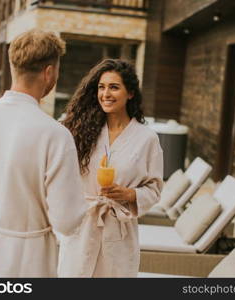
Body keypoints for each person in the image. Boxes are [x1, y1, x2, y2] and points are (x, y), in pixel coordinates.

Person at [0, 29, 87, 277]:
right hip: (27, 261)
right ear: (49, 73)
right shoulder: (55, 135)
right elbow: (67, 221)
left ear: (14, 67)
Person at [59, 59, 163, 277]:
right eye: (101, 87)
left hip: (119, 233)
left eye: (114, 87)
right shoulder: (81, 131)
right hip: (82, 227)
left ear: (130, 93)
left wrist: (129, 194)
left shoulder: (147, 138)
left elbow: (154, 189)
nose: (105, 93)